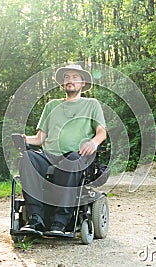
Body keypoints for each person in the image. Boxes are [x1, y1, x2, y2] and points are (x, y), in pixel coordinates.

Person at [18, 64, 107, 235]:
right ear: (62, 83)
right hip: (49, 155)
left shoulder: (92, 104)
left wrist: (93, 143)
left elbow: (101, 132)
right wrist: (24, 139)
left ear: (82, 83)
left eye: (74, 77)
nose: (70, 81)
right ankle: (36, 219)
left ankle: (60, 222)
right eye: (67, 77)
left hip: (77, 156)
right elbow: (39, 138)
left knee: (71, 160)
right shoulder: (51, 106)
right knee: (27, 157)